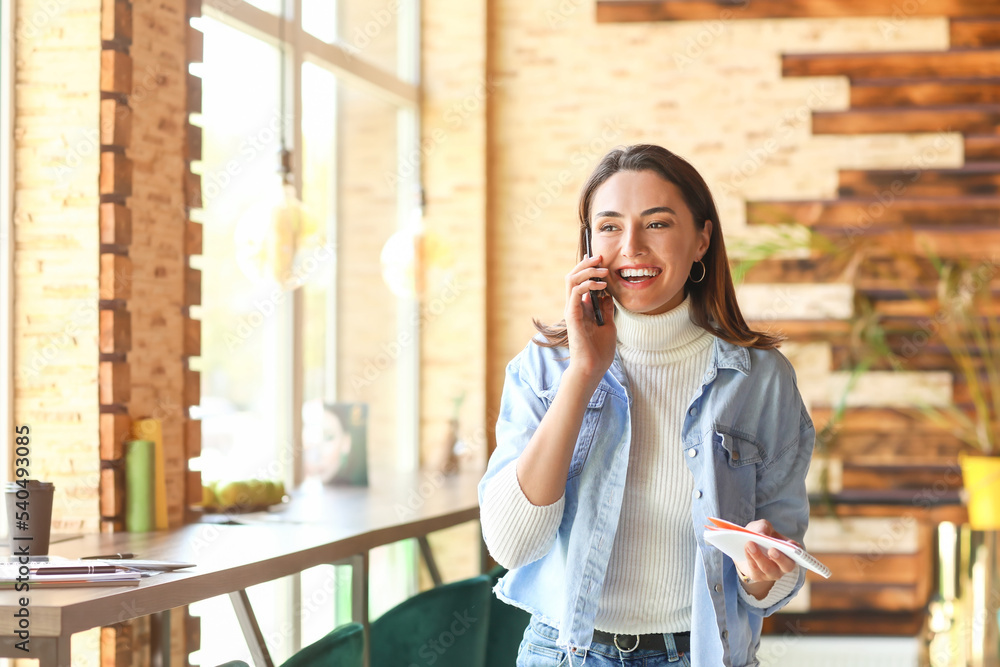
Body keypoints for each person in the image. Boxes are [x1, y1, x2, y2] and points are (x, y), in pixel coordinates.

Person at [478, 144, 815, 666]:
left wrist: (759, 570)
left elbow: (775, 582)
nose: (631, 247)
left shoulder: (762, 380)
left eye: (656, 224)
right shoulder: (544, 369)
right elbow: (510, 546)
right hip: (566, 654)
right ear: (589, 244)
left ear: (702, 238)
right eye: (609, 227)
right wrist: (584, 372)